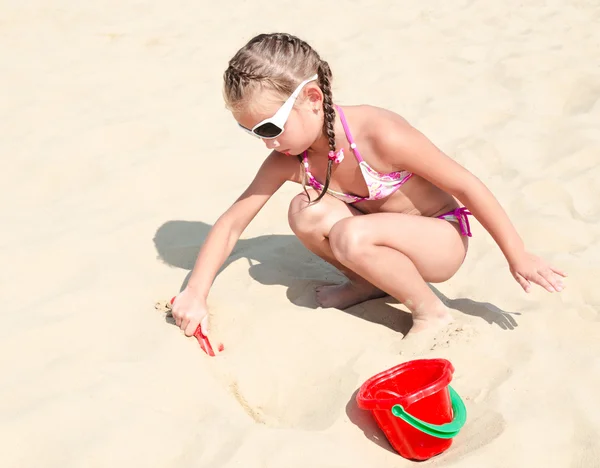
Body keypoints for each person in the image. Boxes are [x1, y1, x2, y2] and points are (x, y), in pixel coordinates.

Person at [170, 32, 566, 340]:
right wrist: (196, 292)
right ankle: (367, 284)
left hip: (440, 240)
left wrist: (518, 255)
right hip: (372, 236)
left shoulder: (379, 135)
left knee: (350, 234)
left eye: (270, 127)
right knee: (304, 211)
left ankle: (431, 312)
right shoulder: (290, 158)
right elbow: (232, 222)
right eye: (250, 130)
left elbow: (465, 185)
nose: (266, 142)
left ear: (312, 97)